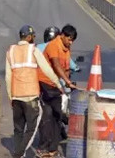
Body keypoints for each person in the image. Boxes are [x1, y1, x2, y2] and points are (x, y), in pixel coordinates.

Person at [7, 25, 62, 158]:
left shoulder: (11, 51)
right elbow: (47, 69)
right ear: (29, 37)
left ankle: (19, 153)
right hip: (31, 96)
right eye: (33, 37)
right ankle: (18, 154)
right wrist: (58, 83)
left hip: (16, 97)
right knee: (31, 129)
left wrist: (11, 97)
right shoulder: (33, 50)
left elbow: (8, 77)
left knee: (18, 129)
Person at [37, 25, 80, 156]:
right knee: (48, 115)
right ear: (62, 35)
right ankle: (43, 147)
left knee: (57, 116)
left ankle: (52, 149)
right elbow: (56, 64)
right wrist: (67, 82)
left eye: (72, 40)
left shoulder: (66, 48)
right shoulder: (53, 46)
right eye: (69, 39)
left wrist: (67, 82)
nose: (70, 42)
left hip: (57, 85)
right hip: (45, 83)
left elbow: (66, 66)